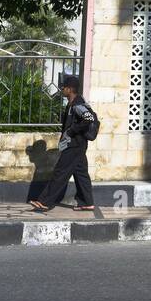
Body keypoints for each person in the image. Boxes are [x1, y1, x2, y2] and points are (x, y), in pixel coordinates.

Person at [30, 74, 98, 212]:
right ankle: (87, 202)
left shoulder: (77, 104)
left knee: (60, 173)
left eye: (64, 88)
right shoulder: (72, 103)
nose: (62, 90)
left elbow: (89, 118)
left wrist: (72, 131)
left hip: (74, 145)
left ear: (70, 89)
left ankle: (45, 202)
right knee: (81, 174)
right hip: (77, 145)